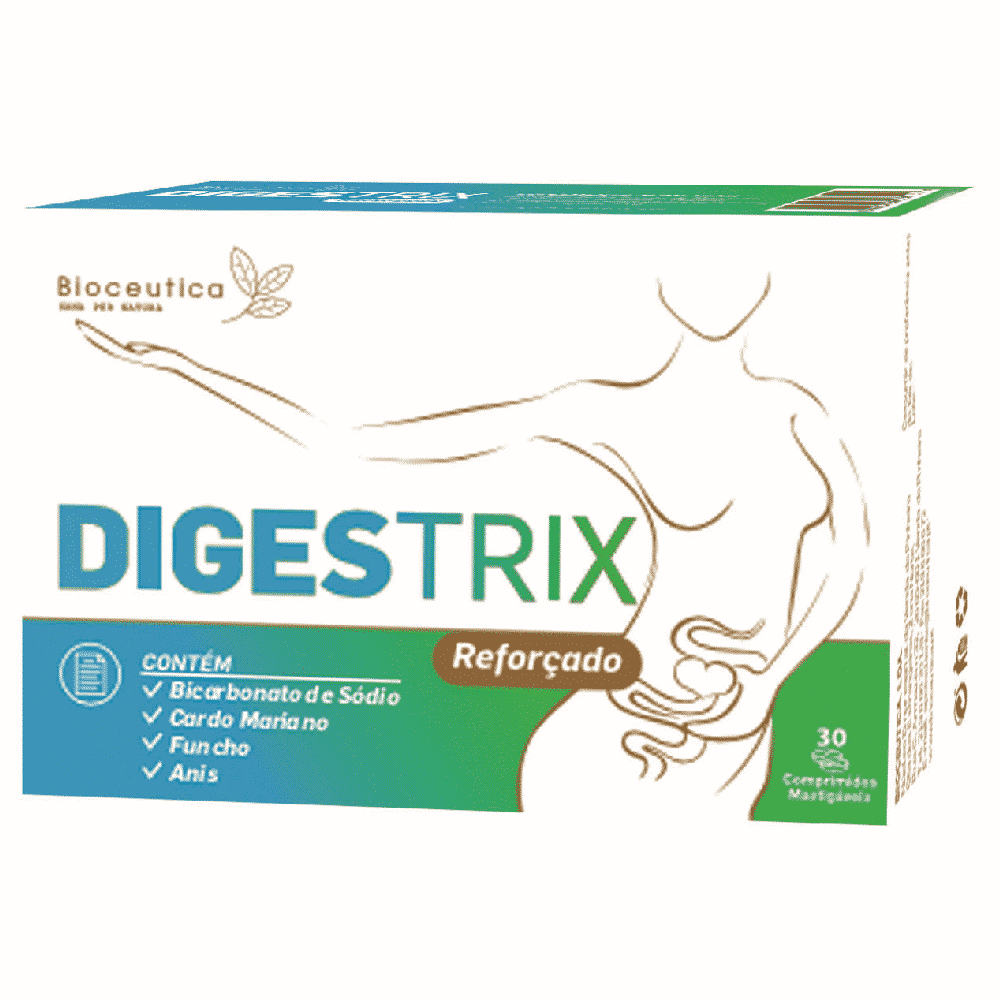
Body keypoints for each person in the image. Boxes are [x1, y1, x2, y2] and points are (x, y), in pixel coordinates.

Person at [77, 272, 868, 817]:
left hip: (734, 720)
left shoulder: (797, 412)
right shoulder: (602, 411)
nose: (717, 285)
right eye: (694, 268)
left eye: (737, 267)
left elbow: (852, 551)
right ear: (661, 286)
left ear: (768, 282)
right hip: (621, 720)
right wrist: (182, 364)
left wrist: (770, 683)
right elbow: (348, 441)